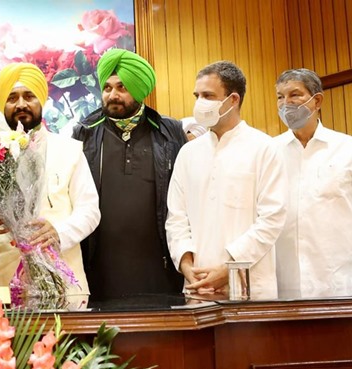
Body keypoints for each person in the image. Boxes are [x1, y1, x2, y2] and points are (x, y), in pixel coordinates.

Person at [0, 63, 101, 299]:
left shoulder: (70, 149)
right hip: (2, 284)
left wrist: (59, 233)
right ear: (2, 104)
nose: (20, 104)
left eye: (29, 96)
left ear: (42, 101)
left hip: (63, 282)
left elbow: (90, 210)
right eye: (12, 98)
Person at [72, 49, 186, 301]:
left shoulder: (170, 131)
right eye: (108, 87)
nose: (113, 95)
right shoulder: (84, 133)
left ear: (139, 88)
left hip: (159, 266)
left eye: (122, 87)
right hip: (99, 267)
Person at [166, 61, 287, 299]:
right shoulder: (188, 152)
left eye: (208, 96)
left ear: (233, 100)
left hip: (249, 284)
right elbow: (176, 218)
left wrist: (230, 267)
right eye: (197, 95)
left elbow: (272, 218)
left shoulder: (264, 148)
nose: (200, 103)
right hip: (197, 286)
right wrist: (186, 264)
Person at [273, 68, 352, 297]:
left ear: (317, 100)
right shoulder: (269, 152)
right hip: (284, 281)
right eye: (280, 96)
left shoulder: (346, 148)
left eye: (294, 94)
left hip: (338, 278)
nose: (286, 103)